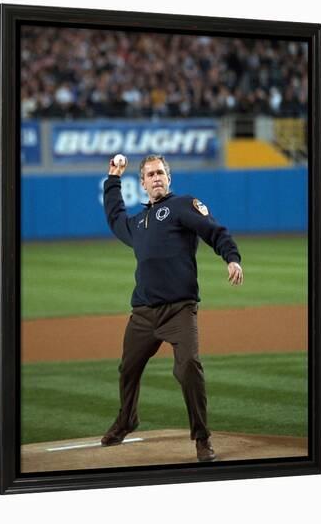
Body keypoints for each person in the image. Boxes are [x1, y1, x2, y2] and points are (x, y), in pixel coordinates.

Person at [101, 154, 244, 462]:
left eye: (160, 173)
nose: (156, 177)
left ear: (169, 178)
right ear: (141, 183)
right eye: (150, 174)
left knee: (189, 366)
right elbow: (115, 218)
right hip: (143, 314)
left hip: (179, 309)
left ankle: (202, 438)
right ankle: (127, 419)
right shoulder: (138, 223)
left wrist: (231, 257)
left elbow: (214, 231)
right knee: (128, 369)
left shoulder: (181, 206)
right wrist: (113, 178)